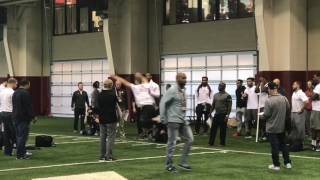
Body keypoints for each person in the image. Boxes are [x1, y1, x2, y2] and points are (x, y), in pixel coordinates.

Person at [160, 73, 194, 172]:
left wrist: (184, 118)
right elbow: (163, 103)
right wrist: (163, 118)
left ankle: (183, 162)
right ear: (177, 79)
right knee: (172, 143)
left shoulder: (183, 91)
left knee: (190, 139)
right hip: (173, 120)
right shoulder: (172, 90)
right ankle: (168, 165)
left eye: (186, 78)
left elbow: (181, 106)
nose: (185, 80)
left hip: (182, 120)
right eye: (183, 78)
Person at [112, 73, 158, 140]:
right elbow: (126, 83)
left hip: (148, 106)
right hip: (145, 107)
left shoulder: (145, 86)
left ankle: (152, 128)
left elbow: (125, 82)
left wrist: (116, 77)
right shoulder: (138, 86)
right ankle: (148, 131)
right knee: (143, 121)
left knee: (144, 121)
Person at [263, 82, 292, 171]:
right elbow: (288, 110)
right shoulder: (284, 98)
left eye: (268, 89)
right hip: (282, 127)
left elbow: (266, 115)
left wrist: (262, 116)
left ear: (271, 89)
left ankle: (276, 165)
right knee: (283, 145)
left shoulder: (268, 100)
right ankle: (287, 163)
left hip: (272, 128)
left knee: (274, 147)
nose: (267, 90)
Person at [12, 79, 35, 160]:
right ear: (27, 84)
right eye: (29, 84)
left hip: (15, 117)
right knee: (22, 137)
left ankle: (22, 152)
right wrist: (33, 116)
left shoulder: (15, 92)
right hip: (23, 118)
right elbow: (28, 107)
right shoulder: (25, 93)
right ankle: (20, 155)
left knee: (18, 136)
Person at [97, 79, 118, 161]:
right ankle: (108, 156)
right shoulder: (113, 95)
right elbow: (116, 105)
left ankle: (102, 155)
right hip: (111, 118)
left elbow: (97, 107)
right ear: (111, 85)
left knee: (102, 137)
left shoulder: (100, 94)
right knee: (110, 138)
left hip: (102, 118)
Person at [209, 82, 232, 146]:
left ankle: (222, 143)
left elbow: (229, 107)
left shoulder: (228, 96)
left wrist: (227, 115)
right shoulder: (215, 95)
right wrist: (210, 112)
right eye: (219, 86)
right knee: (213, 129)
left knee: (223, 130)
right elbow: (213, 105)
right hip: (217, 114)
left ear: (224, 87)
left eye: (220, 86)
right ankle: (211, 142)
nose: (219, 87)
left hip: (223, 114)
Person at [288, 81, 309, 152]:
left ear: (298, 85)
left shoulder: (301, 93)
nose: (292, 86)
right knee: (294, 129)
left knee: (300, 129)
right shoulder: (294, 93)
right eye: (292, 84)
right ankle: (294, 144)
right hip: (293, 113)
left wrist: (302, 109)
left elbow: (306, 101)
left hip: (299, 113)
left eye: (294, 84)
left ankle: (301, 144)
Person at [0, 78, 17, 156]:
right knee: (14, 132)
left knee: (6, 133)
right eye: (16, 84)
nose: (16, 85)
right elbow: (15, 105)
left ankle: (7, 151)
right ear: (12, 83)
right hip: (10, 114)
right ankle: (19, 149)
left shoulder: (2, 92)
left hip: (2, 113)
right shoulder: (13, 92)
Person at [255, 76, 269, 141]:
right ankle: (261, 134)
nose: (261, 80)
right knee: (260, 121)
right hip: (260, 105)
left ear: (264, 79)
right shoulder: (259, 84)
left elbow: (263, 90)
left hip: (265, 105)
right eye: (260, 79)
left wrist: (262, 84)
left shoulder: (267, 84)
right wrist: (258, 84)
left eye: (262, 79)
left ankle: (265, 135)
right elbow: (256, 90)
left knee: (264, 120)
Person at [310, 73, 320, 151]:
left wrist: (312, 94)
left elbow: (314, 97)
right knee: (314, 127)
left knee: (316, 128)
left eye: (315, 77)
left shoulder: (318, 86)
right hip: (316, 109)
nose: (313, 78)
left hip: (317, 109)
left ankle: (317, 145)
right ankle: (314, 144)